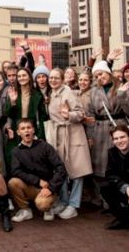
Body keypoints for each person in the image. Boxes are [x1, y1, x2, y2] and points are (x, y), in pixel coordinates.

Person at [45, 69, 92, 220]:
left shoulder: (68, 93)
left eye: (56, 78)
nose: (53, 80)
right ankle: (64, 201)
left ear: (62, 79)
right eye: (51, 78)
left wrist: (69, 115)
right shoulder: (51, 93)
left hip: (73, 133)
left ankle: (73, 204)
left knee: (77, 170)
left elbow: (80, 113)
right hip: (58, 134)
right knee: (61, 169)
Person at [88, 60, 129, 186]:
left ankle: (123, 189)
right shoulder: (94, 91)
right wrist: (90, 135)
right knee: (100, 165)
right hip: (99, 132)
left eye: (101, 74)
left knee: (119, 161)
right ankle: (103, 193)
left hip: (118, 128)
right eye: (96, 76)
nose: (99, 78)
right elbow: (90, 114)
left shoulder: (121, 87)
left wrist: (121, 96)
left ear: (108, 72)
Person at [8, 118, 67, 223]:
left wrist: (51, 188)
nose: (26, 130)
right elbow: (16, 171)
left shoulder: (44, 146)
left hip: (48, 187)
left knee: (42, 204)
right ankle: (25, 210)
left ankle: (50, 207)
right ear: (18, 132)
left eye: (29, 127)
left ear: (33, 130)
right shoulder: (16, 151)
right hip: (31, 186)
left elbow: (60, 168)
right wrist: (37, 181)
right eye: (23, 129)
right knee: (13, 182)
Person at [4, 67, 47, 170]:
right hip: (17, 131)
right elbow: (8, 113)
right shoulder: (14, 93)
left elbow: (43, 117)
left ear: (29, 77)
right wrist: (13, 102)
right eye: (19, 76)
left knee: (33, 159)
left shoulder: (37, 94)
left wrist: (40, 135)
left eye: (24, 75)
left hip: (32, 130)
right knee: (15, 159)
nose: (21, 78)